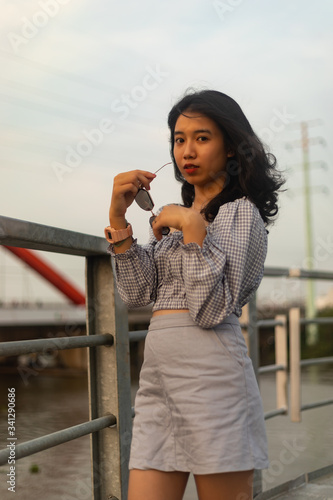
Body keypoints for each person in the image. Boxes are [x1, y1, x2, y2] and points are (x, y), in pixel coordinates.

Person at [106, 89, 284, 500]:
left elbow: (209, 310)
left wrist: (192, 228)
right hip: (157, 385)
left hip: (213, 385)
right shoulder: (173, 220)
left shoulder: (241, 214)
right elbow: (136, 293)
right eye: (179, 138)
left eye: (202, 138)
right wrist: (119, 219)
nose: (188, 150)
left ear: (232, 149)